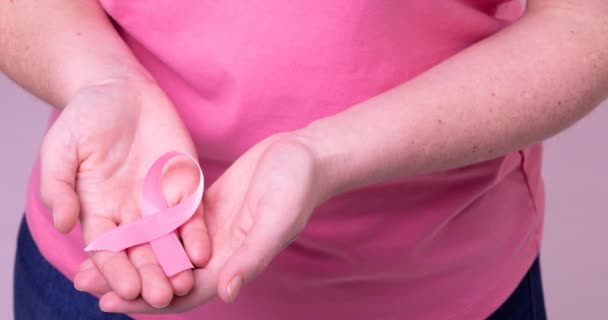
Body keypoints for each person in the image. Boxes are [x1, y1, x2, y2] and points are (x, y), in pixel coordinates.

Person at [3, 0, 607, 319]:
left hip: (435, 288)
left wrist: (327, 154)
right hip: (106, 262)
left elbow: (587, 24)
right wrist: (100, 78)